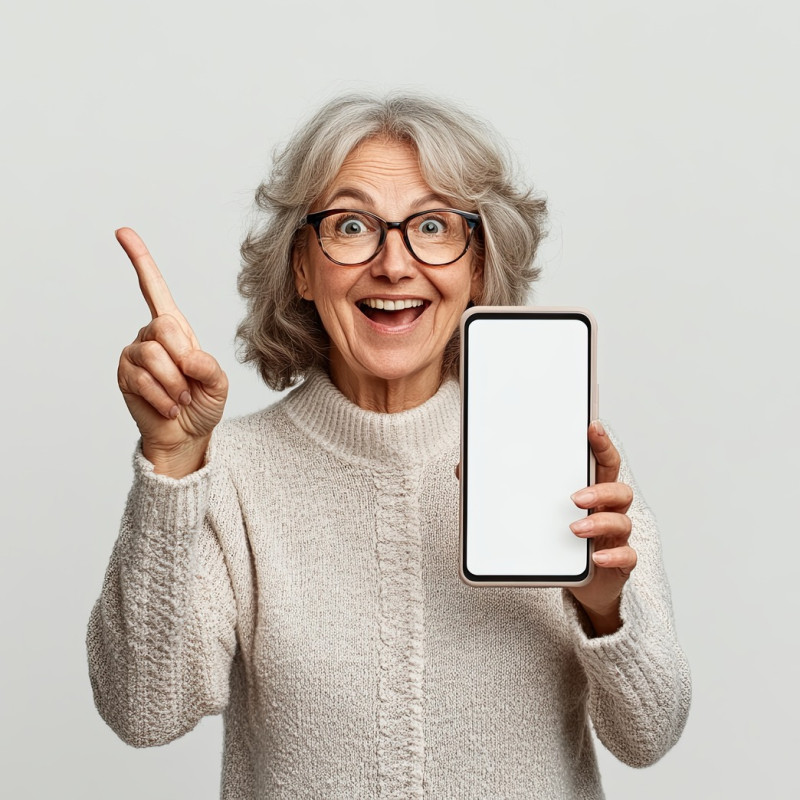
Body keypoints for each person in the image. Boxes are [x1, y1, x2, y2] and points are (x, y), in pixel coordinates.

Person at [87, 93, 691, 799]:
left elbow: (649, 734)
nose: (394, 264)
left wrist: (604, 605)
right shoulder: (233, 476)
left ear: (478, 268)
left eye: (433, 226)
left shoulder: (564, 463)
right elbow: (145, 712)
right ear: (303, 269)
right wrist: (171, 467)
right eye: (351, 226)